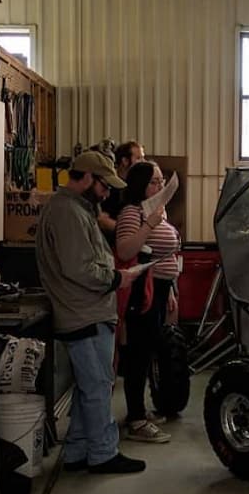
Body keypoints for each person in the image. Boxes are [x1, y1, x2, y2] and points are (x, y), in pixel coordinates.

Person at [35, 149, 147, 475]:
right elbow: (79, 267)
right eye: (103, 185)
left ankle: (78, 451)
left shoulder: (78, 209)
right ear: (85, 177)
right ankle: (102, 453)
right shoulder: (67, 213)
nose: (108, 192)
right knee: (98, 386)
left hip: (89, 310)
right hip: (83, 312)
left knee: (90, 385)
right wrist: (117, 278)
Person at [114, 161, 182, 442]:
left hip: (161, 289)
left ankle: (139, 411)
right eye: (154, 181)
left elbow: (166, 256)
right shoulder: (133, 212)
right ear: (140, 185)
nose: (160, 185)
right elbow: (125, 248)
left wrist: (172, 291)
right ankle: (136, 419)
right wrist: (150, 223)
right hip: (143, 290)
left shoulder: (156, 211)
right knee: (138, 353)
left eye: (162, 180)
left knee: (148, 349)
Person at [98, 140, 146, 238]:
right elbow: (102, 220)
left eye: (143, 158)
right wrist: (129, 232)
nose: (143, 162)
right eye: (138, 158)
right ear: (125, 161)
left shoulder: (136, 188)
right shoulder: (111, 187)